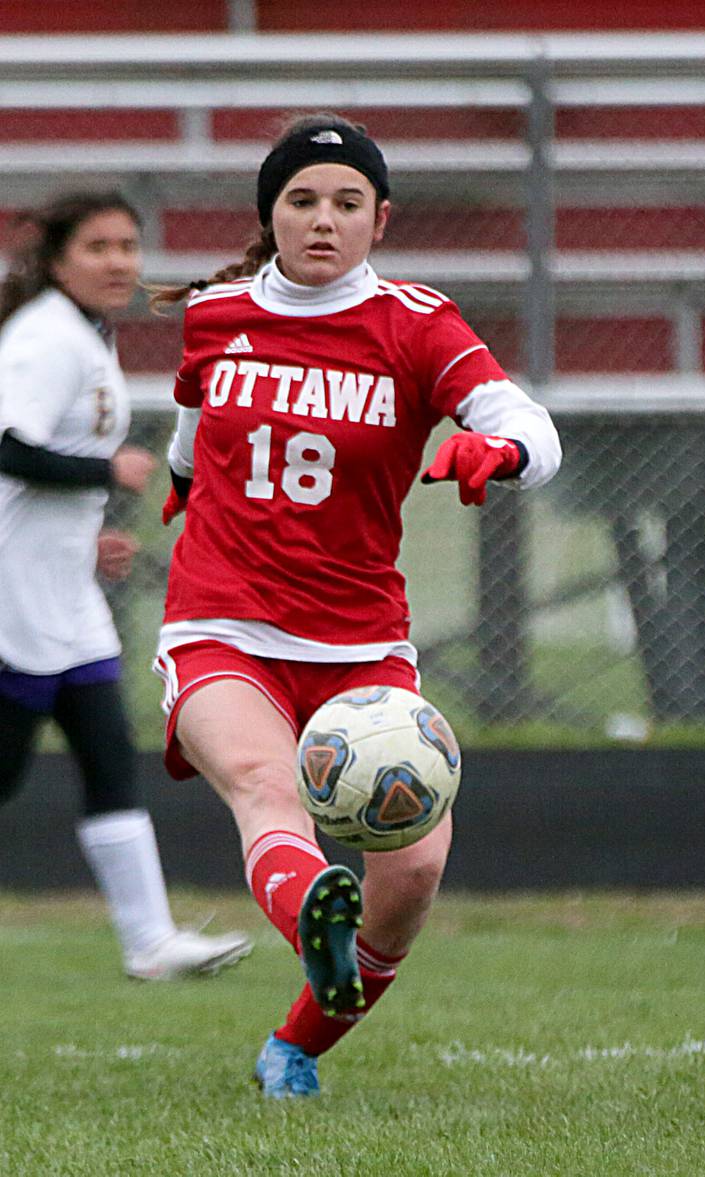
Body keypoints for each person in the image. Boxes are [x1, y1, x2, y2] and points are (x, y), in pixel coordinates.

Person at [149, 114, 561, 1099]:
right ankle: (311, 921)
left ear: (382, 219)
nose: (322, 220)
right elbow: (192, 420)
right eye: (301, 200)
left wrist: (493, 451)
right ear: (271, 215)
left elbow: (530, 425)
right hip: (221, 618)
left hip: (360, 643)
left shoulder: (418, 324)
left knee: (414, 873)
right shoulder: (217, 314)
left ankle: (295, 1042)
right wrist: (179, 484)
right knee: (261, 779)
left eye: (346, 202)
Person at [0, 191, 253, 981]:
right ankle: (149, 937)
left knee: (110, 753)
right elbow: (8, 444)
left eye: (128, 246)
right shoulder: (45, 338)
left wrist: (85, 537)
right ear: (57, 259)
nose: (119, 263)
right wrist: (104, 470)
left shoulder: (83, 334)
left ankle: (150, 940)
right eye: (99, 247)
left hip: (61, 595)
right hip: (13, 598)